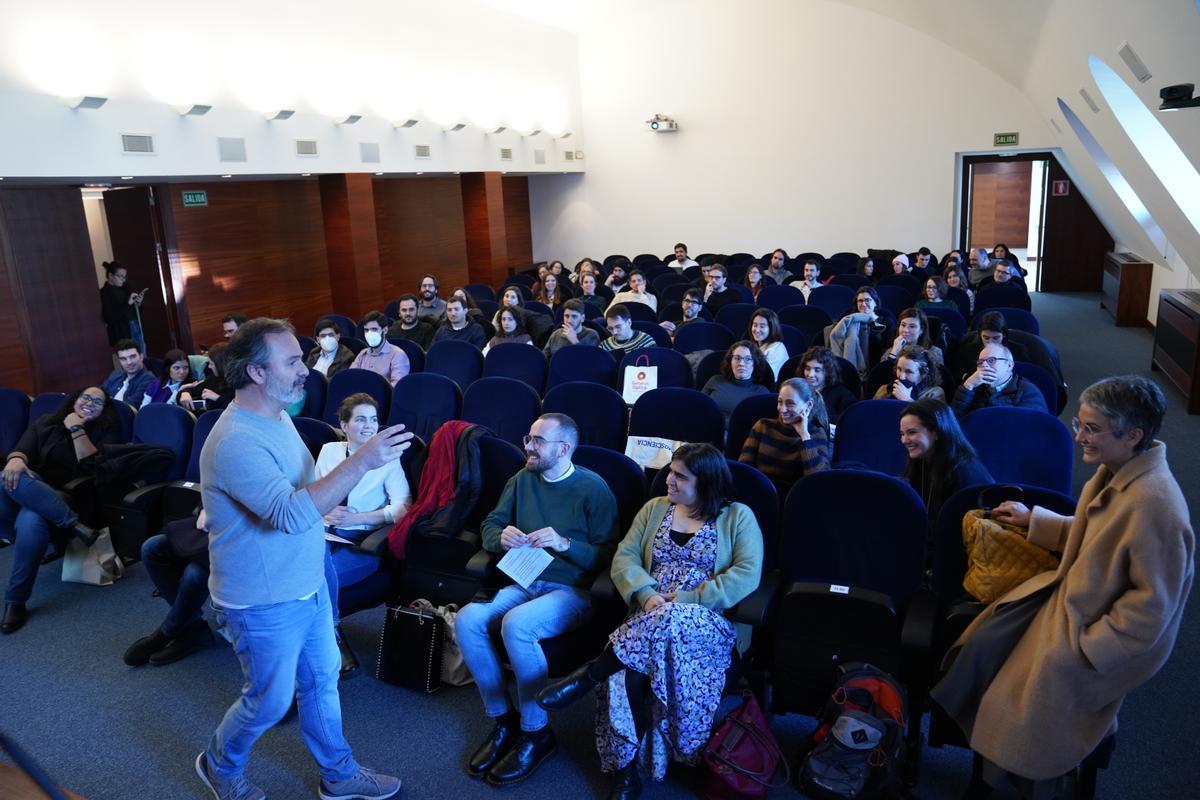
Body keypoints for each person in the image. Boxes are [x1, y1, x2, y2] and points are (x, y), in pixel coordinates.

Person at [933, 377, 1193, 796]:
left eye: (1091, 429)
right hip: (1067, 606)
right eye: (1080, 423)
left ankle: (1006, 785)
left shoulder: (1156, 507)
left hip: (1089, 646)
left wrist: (1087, 650)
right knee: (982, 646)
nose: (1078, 437)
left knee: (1022, 709)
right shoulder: (1119, 472)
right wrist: (1036, 519)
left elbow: (1150, 614)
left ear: (1133, 435)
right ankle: (992, 776)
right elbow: (1099, 532)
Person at [196, 317, 409, 800]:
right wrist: (364, 460)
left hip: (308, 581)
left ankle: (338, 772)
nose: (305, 369)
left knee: (322, 679)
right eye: (292, 361)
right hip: (261, 598)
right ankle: (220, 765)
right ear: (255, 372)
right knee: (268, 703)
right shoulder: (235, 439)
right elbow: (289, 515)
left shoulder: (276, 416)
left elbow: (299, 493)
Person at [536, 443, 763, 796]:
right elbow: (624, 558)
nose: (667, 481)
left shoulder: (737, 517)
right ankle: (625, 771)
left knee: (667, 622)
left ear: (705, 483)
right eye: (670, 471)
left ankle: (590, 673)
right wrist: (646, 593)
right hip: (646, 614)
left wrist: (688, 599)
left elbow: (747, 574)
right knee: (625, 674)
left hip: (706, 623)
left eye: (679, 476)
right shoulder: (654, 509)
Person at [454, 413, 619, 786]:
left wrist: (565, 544)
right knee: (466, 619)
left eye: (538, 441)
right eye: (528, 438)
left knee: (517, 625)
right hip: (525, 580)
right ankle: (503, 721)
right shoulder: (521, 479)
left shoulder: (593, 488)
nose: (528, 446)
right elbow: (489, 526)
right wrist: (502, 538)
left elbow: (612, 556)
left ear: (563, 448)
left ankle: (536, 733)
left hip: (572, 591)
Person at [1, 388, 116, 633]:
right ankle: (73, 525)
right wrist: (17, 460)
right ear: (75, 399)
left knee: (32, 522)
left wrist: (77, 429)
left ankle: (15, 601)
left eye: (98, 402)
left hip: (69, 496)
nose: (90, 404)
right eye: (86, 398)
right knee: (10, 475)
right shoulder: (46, 423)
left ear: (103, 409)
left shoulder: (104, 431)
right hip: (32, 489)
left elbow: (93, 469)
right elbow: (22, 449)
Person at [316, 393, 412, 678]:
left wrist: (358, 517)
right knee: (295, 570)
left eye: (373, 419)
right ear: (344, 425)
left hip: (361, 543)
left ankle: (330, 634)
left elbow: (404, 508)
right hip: (322, 533)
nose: (369, 426)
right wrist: (325, 509)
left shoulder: (388, 459)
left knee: (315, 579)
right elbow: (313, 490)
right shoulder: (328, 450)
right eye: (360, 419)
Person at [123, 508, 215, 667]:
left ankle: (166, 632)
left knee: (195, 573)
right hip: (212, 534)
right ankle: (193, 627)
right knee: (152, 548)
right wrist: (204, 508)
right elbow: (209, 490)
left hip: (246, 542)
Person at [899, 397, 991, 525]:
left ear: (937, 432)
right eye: (902, 434)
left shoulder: (963, 474)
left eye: (912, 432)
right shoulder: (922, 461)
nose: (904, 440)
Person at [740, 377, 831, 495]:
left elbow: (818, 481)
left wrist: (804, 436)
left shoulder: (816, 434)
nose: (782, 409)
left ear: (808, 406)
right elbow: (744, 470)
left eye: (790, 403)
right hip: (760, 494)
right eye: (780, 402)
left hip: (795, 500)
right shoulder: (763, 426)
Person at [951, 344, 1047, 416]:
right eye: (980, 362)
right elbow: (954, 423)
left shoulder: (1028, 392)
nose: (984, 365)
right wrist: (968, 386)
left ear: (1009, 365)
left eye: (991, 360)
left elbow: (1033, 428)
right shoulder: (973, 387)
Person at [701, 341, 774, 425]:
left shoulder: (762, 392)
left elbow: (760, 425)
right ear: (730, 362)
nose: (741, 363)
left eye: (748, 359)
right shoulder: (715, 380)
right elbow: (699, 408)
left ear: (755, 363)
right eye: (737, 358)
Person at [829, 286, 895, 376]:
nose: (863, 304)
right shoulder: (850, 321)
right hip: (851, 368)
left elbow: (889, 348)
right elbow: (838, 340)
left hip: (877, 368)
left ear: (875, 302)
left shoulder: (887, 322)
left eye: (867, 300)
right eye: (860, 301)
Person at [953, 311, 1030, 380]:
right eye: (986, 338)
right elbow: (958, 379)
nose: (991, 342)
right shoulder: (966, 351)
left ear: (1004, 335)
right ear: (980, 335)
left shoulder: (1018, 351)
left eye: (996, 338)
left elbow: (1024, 379)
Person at [799, 345, 858, 424]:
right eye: (807, 369)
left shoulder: (841, 393)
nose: (810, 375)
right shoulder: (797, 390)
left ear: (827, 372)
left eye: (817, 370)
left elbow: (853, 417)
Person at [350, 311, 410, 385]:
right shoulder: (362, 354)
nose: (369, 334)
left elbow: (396, 387)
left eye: (374, 329)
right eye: (366, 330)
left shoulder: (398, 355)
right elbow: (350, 378)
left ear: (385, 330)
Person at [99, 260, 146, 351]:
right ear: (110, 276)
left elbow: (132, 311)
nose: (123, 280)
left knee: (142, 355)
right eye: (120, 276)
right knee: (130, 358)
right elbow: (109, 317)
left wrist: (138, 303)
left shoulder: (125, 288)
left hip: (135, 325)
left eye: (124, 277)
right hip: (121, 332)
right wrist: (128, 303)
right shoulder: (104, 293)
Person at [874, 345, 945, 402]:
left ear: (923, 374)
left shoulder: (934, 394)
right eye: (899, 369)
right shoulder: (884, 389)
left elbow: (931, 419)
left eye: (909, 372)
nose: (901, 377)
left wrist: (907, 400)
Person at [179, 342, 234, 412]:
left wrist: (217, 398)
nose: (209, 367)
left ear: (220, 365)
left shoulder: (239, 383)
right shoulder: (213, 378)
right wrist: (185, 393)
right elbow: (193, 390)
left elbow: (240, 409)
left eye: (211, 364)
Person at [101, 338, 156, 408]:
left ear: (141, 357)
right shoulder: (115, 375)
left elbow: (129, 406)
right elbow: (99, 394)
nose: (129, 362)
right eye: (123, 359)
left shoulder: (149, 379)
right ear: (119, 361)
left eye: (132, 357)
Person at [749, 308, 789, 380]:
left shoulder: (777, 348)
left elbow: (767, 378)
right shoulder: (755, 346)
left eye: (762, 326)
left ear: (772, 328)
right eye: (755, 325)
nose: (757, 330)